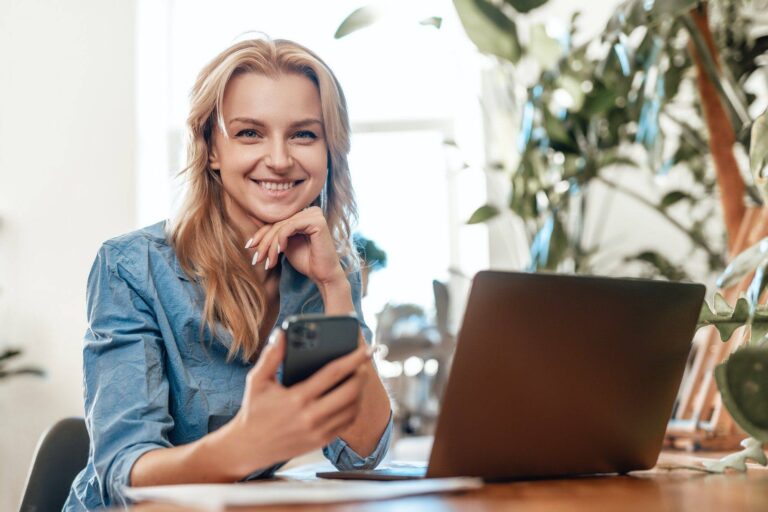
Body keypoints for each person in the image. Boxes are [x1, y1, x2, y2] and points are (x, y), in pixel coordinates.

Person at [64, 37, 393, 510]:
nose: (279, 159)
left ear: (329, 152)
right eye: (249, 133)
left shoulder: (322, 270)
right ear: (210, 148)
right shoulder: (133, 268)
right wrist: (245, 445)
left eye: (304, 134)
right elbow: (125, 474)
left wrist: (334, 288)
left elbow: (358, 456)